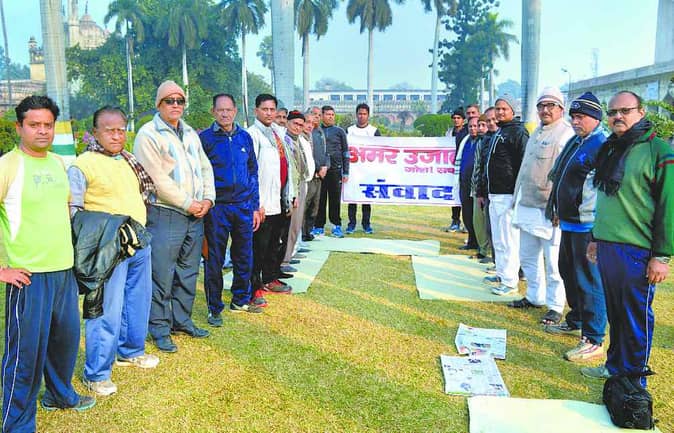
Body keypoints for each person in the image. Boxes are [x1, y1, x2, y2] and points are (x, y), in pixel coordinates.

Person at [1, 96, 95, 433]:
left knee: (64, 342)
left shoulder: (58, 163)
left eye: (48, 125)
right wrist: (2, 270)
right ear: (19, 127)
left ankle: (58, 395)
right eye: (34, 125)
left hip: (63, 271)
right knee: (25, 354)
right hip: (28, 277)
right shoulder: (8, 166)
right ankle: (16, 423)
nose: (42, 130)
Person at [581, 90, 673, 384]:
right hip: (608, 246)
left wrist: (661, 256)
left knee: (634, 317)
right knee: (616, 313)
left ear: (641, 112)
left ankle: (633, 381)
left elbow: (669, 206)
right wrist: (595, 237)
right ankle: (614, 367)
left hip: (638, 250)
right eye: (612, 112)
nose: (617, 116)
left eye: (625, 110)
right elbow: (605, 199)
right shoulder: (610, 148)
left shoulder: (658, 150)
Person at [68, 106, 159, 396]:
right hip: (108, 248)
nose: (117, 135)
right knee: (106, 309)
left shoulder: (128, 160)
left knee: (137, 302)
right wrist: (106, 232)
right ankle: (96, 373)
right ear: (95, 132)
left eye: (121, 130)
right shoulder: (83, 164)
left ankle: (131, 351)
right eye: (109, 130)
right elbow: (74, 212)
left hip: (138, 240)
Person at [134, 80, 216, 353]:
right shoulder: (149, 134)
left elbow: (205, 167)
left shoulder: (190, 132)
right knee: (161, 274)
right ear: (159, 104)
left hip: (195, 214)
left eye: (180, 101)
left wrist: (208, 199)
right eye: (169, 101)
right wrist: (188, 203)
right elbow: (155, 179)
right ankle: (159, 328)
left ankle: (182, 320)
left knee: (188, 271)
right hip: (166, 213)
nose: (176, 105)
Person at [545, 92, 608, 362]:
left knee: (589, 281)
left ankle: (594, 338)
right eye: (573, 116)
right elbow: (562, 177)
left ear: (595, 118)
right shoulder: (577, 141)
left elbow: (605, 190)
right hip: (569, 222)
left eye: (580, 116)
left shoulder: (601, 145)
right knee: (567, 272)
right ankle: (577, 319)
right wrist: (557, 209)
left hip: (587, 225)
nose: (575, 121)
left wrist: (599, 228)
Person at [507, 87, 574, 328]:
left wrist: (559, 206)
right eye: (541, 106)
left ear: (561, 109)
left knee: (553, 262)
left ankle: (555, 306)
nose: (545, 110)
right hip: (527, 204)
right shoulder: (536, 132)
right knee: (527, 255)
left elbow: (565, 176)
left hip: (549, 209)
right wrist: (515, 199)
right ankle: (535, 296)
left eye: (550, 105)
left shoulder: (566, 134)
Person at [199, 93, 264, 326]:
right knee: (214, 258)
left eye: (229, 110)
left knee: (244, 255)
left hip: (243, 206)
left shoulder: (244, 137)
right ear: (213, 112)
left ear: (235, 111)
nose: (225, 114)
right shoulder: (205, 139)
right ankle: (214, 308)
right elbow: (199, 174)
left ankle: (240, 299)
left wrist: (254, 206)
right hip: (217, 208)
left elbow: (253, 172)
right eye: (220, 110)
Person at [247, 94, 294, 295]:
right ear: (256, 110)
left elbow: (287, 166)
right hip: (262, 202)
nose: (269, 113)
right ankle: (253, 286)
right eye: (264, 109)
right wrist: (255, 204)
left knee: (274, 243)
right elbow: (250, 172)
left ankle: (269, 277)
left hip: (278, 198)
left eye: (272, 109)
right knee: (258, 246)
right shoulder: (252, 134)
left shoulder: (277, 133)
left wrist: (290, 195)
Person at [483, 95, 528, 294]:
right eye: (497, 108)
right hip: (495, 194)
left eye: (504, 109)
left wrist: (518, 194)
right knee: (499, 239)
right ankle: (501, 273)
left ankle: (510, 281)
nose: (500, 112)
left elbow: (524, 165)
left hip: (509, 194)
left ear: (512, 111)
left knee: (509, 240)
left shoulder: (518, 132)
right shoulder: (500, 131)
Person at [281, 111, 314, 270]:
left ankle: (288, 255)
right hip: (291, 187)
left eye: (301, 125)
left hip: (301, 183)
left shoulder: (299, 140)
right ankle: (283, 260)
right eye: (295, 124)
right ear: (288, 123)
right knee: (289, 225)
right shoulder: (284, 140)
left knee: (296, 223)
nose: (298, 127)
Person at [346, 102, 380, 234]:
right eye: (360, 113)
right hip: (353, 170)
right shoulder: (349, 130)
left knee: (366, 199)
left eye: (364, 114)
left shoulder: (374, 131)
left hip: (368, 171)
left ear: (368, 115)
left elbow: (380, 149)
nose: (362, 116)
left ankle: (366, 224)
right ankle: (351, 224)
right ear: (356, 115)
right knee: (352, 199)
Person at [315, 105, 349, 238]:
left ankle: (336, 225)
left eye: (332, 115)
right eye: (328, 114)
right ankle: (319, 226)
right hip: (321, 170)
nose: (330, 117)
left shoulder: (339, 131)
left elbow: (346, 152)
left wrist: (346, 171)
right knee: (320, 199)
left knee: (335, 199)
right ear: (322, 115)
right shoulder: (316, 131)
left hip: (336, 169)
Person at [455, 116, 481, 251]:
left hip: (476, 185)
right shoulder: (466, 141)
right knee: (466, 214)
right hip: (464, 183)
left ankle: (480, 243)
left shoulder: (482, 142)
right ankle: (471, 241)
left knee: (477, 217)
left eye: (475, 126)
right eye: (470, 126)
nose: (473, 129)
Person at [304, 107, 329, 241]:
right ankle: (302, 234)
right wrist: (318, 168)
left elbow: (325, 152)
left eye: (319, 115)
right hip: (310, 175)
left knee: (315, 207)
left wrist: (326, 166)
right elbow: (308, 156)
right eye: (314, 114)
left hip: (320, 175)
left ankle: (308, 232)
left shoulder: (320, 132)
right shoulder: (305, 134)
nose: (316, 117)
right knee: (305, 205)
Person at [470, 113, 492, 261]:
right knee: (478, 222)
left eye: (483, 125)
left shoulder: (490, 141)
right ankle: (482, 249)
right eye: (479, 125)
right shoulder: (479, 142)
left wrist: (481, 190)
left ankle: (488, 252)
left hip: (486, 190)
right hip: (477, 188)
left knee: (486, 222)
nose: (480, 128)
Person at [445, 107, 468, 232]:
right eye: (454, 118)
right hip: (451, 168)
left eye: (458, 118)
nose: (456, 120)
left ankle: (467, 222)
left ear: (463, 120)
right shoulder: (449, 133)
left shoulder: (467, 132)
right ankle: (455, 220)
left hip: (463, 166)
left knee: (465, 196)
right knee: (455, 194)